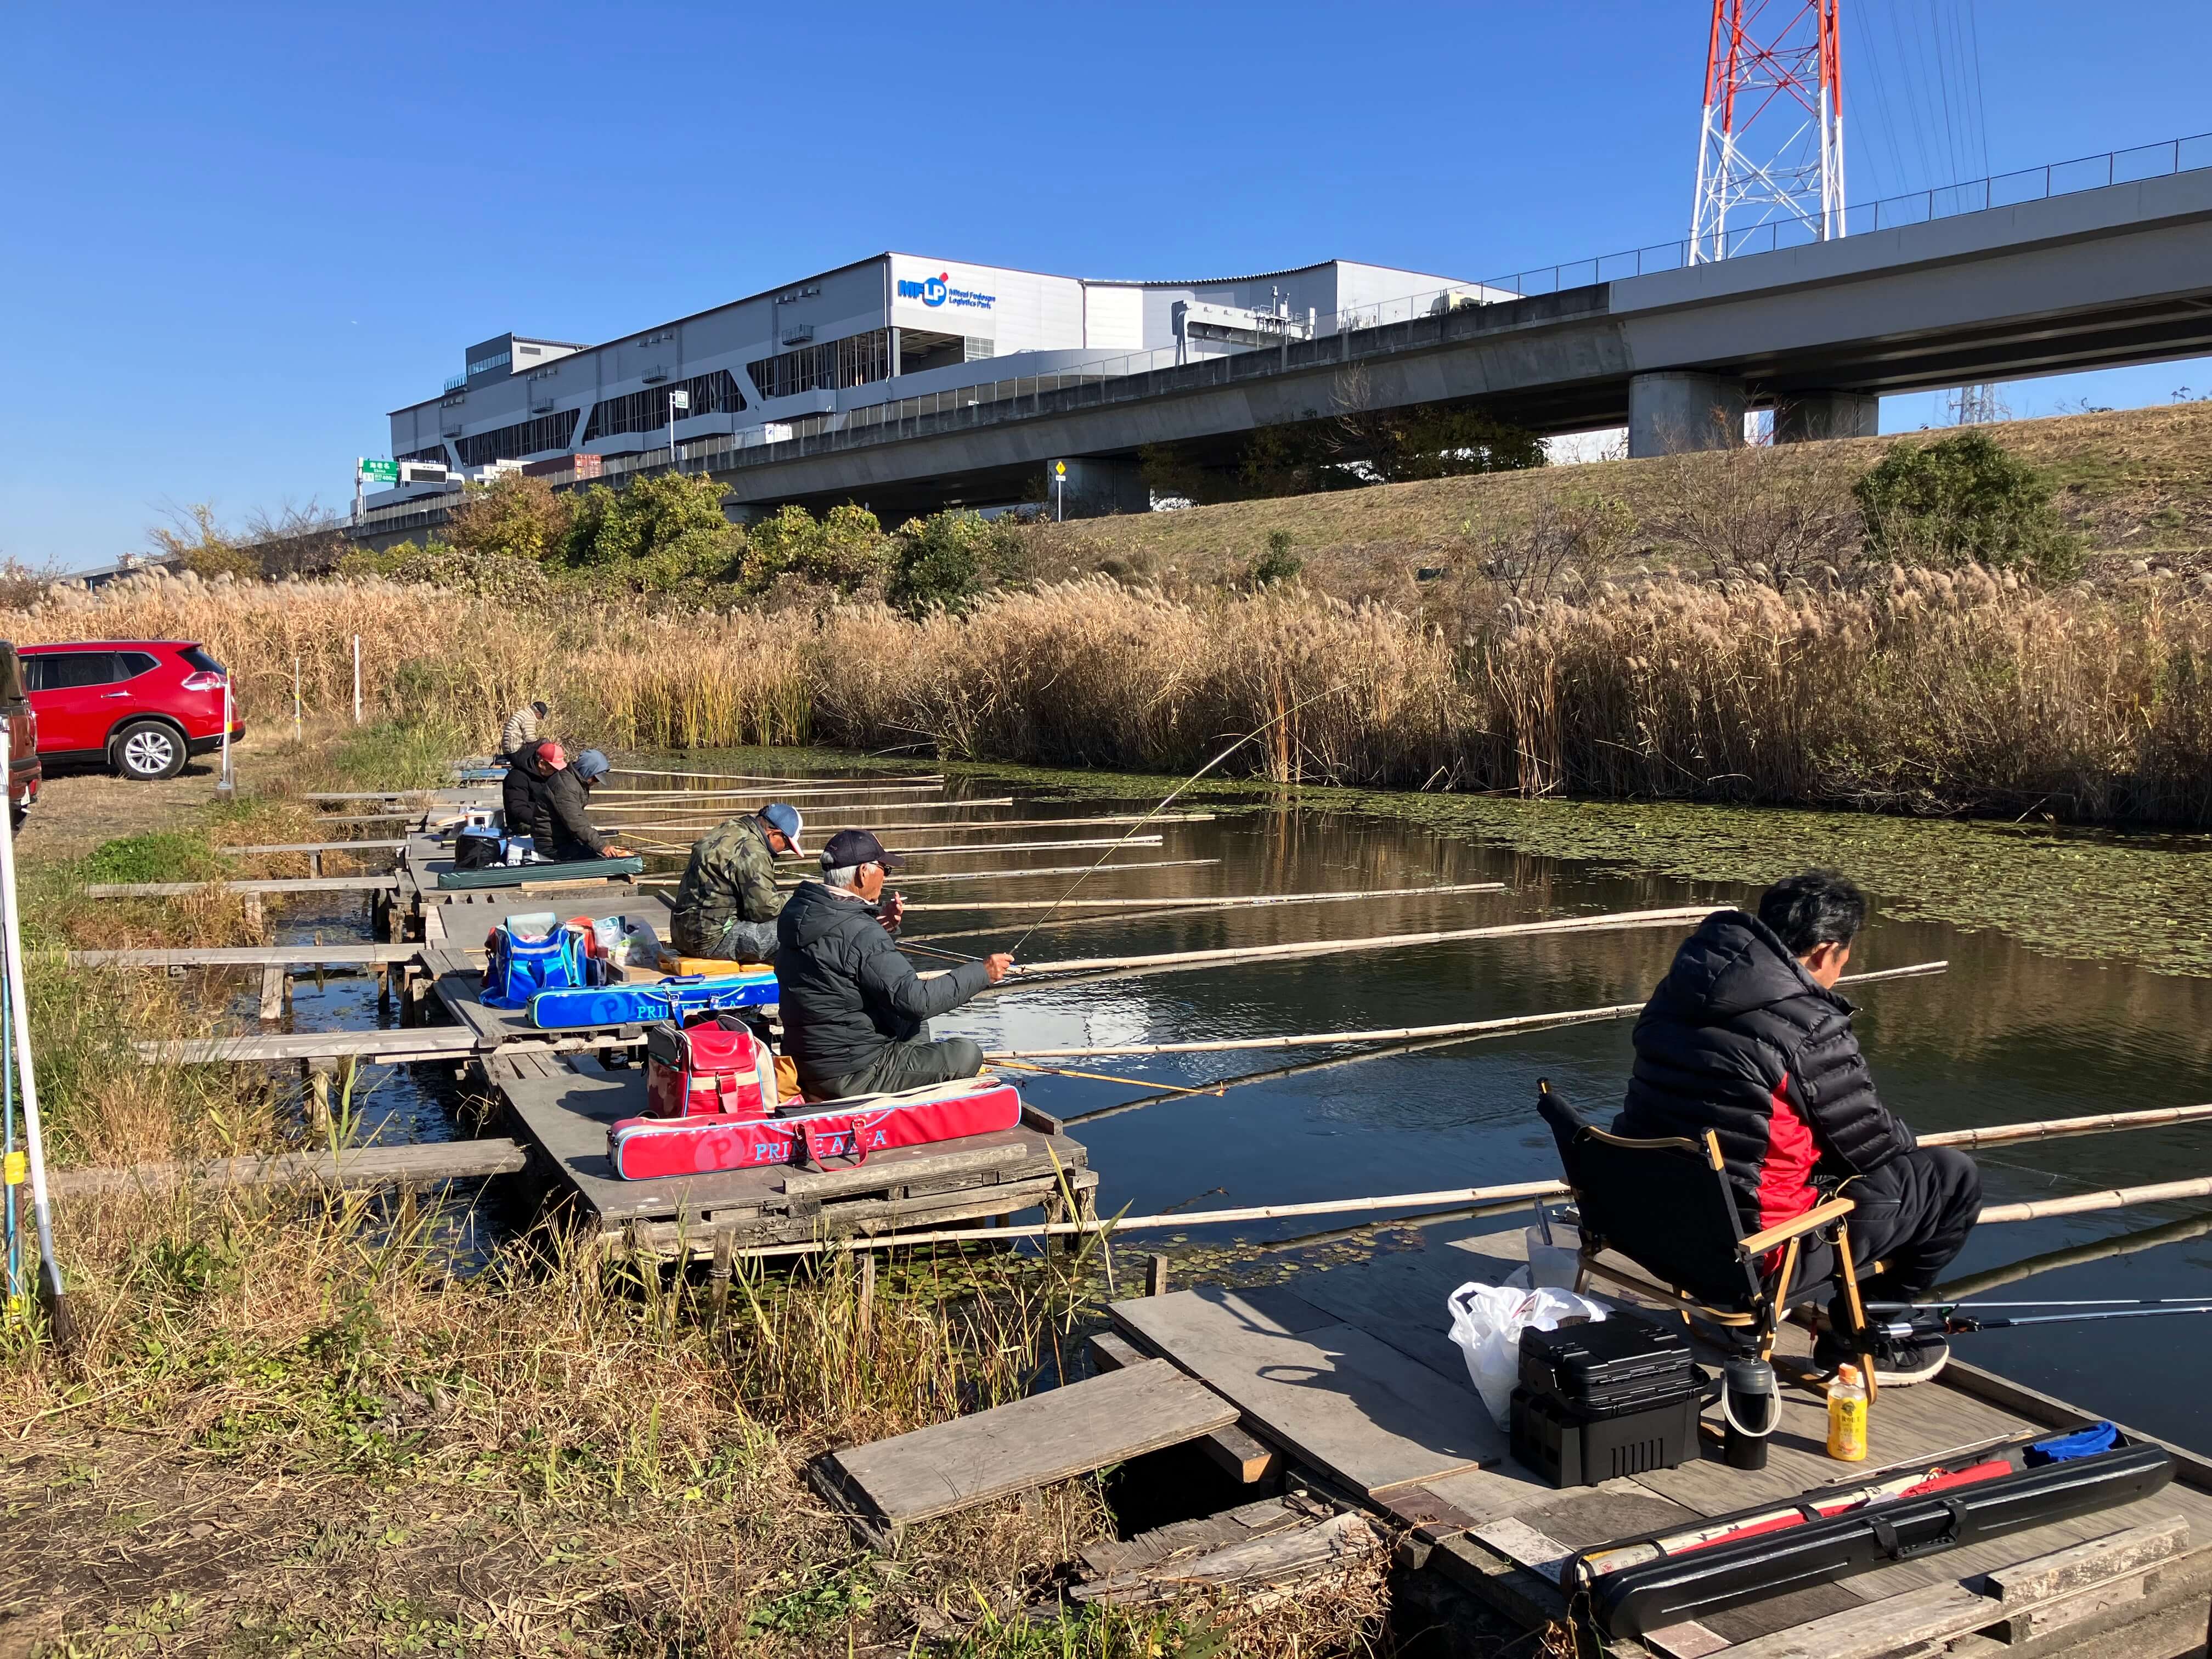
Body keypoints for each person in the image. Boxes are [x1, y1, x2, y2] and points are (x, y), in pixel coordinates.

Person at [1613, 870, 1981, 1385]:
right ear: (1824, 951)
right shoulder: (1810, 1025)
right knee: (1952, 1180)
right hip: (1749, 1253)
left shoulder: (1678, 991)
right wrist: (1908, 1142)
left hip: (1645, 1221)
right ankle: (1865, 1332)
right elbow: (1870, 1150)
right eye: (1843, 961)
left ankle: (1765, 1306)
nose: (1838, 974)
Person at [775, 828, 1012, 1100]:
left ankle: (912, 1075)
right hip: (850, 1074)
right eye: (884, 869)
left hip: (806, 1061)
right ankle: (911, 1086)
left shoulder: (802, 914)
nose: (886, 877)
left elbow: (839, 955)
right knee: (966, 1053)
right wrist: (983, 973)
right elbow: (917, 1001)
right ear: (863, 872)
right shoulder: (859, 932)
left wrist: (879, 927)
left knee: (912, 1023)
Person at [669, 803, 805, 963]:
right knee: (800, 932)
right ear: (774, 834)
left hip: (683, 933)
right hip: (711, 939)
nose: (783, 851)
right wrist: (796, 898)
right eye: (787, 846)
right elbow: (765, 910)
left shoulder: (728, 829)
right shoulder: (753, 850)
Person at [523, 742, 633, 863]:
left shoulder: (574, 781)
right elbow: (576, 822)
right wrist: (604, 847)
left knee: (595, 850)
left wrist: (601, 845)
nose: (596, 782)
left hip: (564, 838)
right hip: (551, 844)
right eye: (595, 778)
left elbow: (579, 820)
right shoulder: (565, 786)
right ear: (587, 771)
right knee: (596, 858)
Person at [499, 699, 550, 764]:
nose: (540, 719)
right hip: (515, 751)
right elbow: (529, 738)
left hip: (508, 751)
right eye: (541, 717)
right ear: (539, 714)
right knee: (545, 742)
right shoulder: (529, 718)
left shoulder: (522, 713)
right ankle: (541, 764)